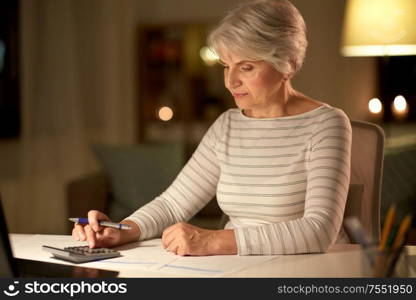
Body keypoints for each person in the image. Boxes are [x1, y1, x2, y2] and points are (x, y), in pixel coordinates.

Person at [72, 0, 351, 256]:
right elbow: (173, 204)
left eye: (247, 67)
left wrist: (212, 241)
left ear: (288, 64)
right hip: (237, 269)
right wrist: (121, 231)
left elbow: (319, 230)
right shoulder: (227, 125)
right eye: (226, 65)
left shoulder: (326, 124)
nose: (230, 81)